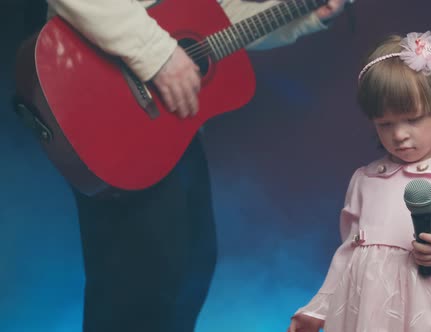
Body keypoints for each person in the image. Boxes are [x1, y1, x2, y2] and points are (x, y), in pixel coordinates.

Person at [41, 0, 348, 331]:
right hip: (102, 103)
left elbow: (215, 16)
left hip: (167, 124)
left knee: (189, 269)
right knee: (140, 281)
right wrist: (159, 55)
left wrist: (301, 16)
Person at [287, 31, 431, 332]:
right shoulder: (365, 181)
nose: (399, 135)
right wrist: (316, 311)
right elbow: (347, 260)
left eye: (412, 119)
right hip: (364, 318)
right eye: (385, 124)